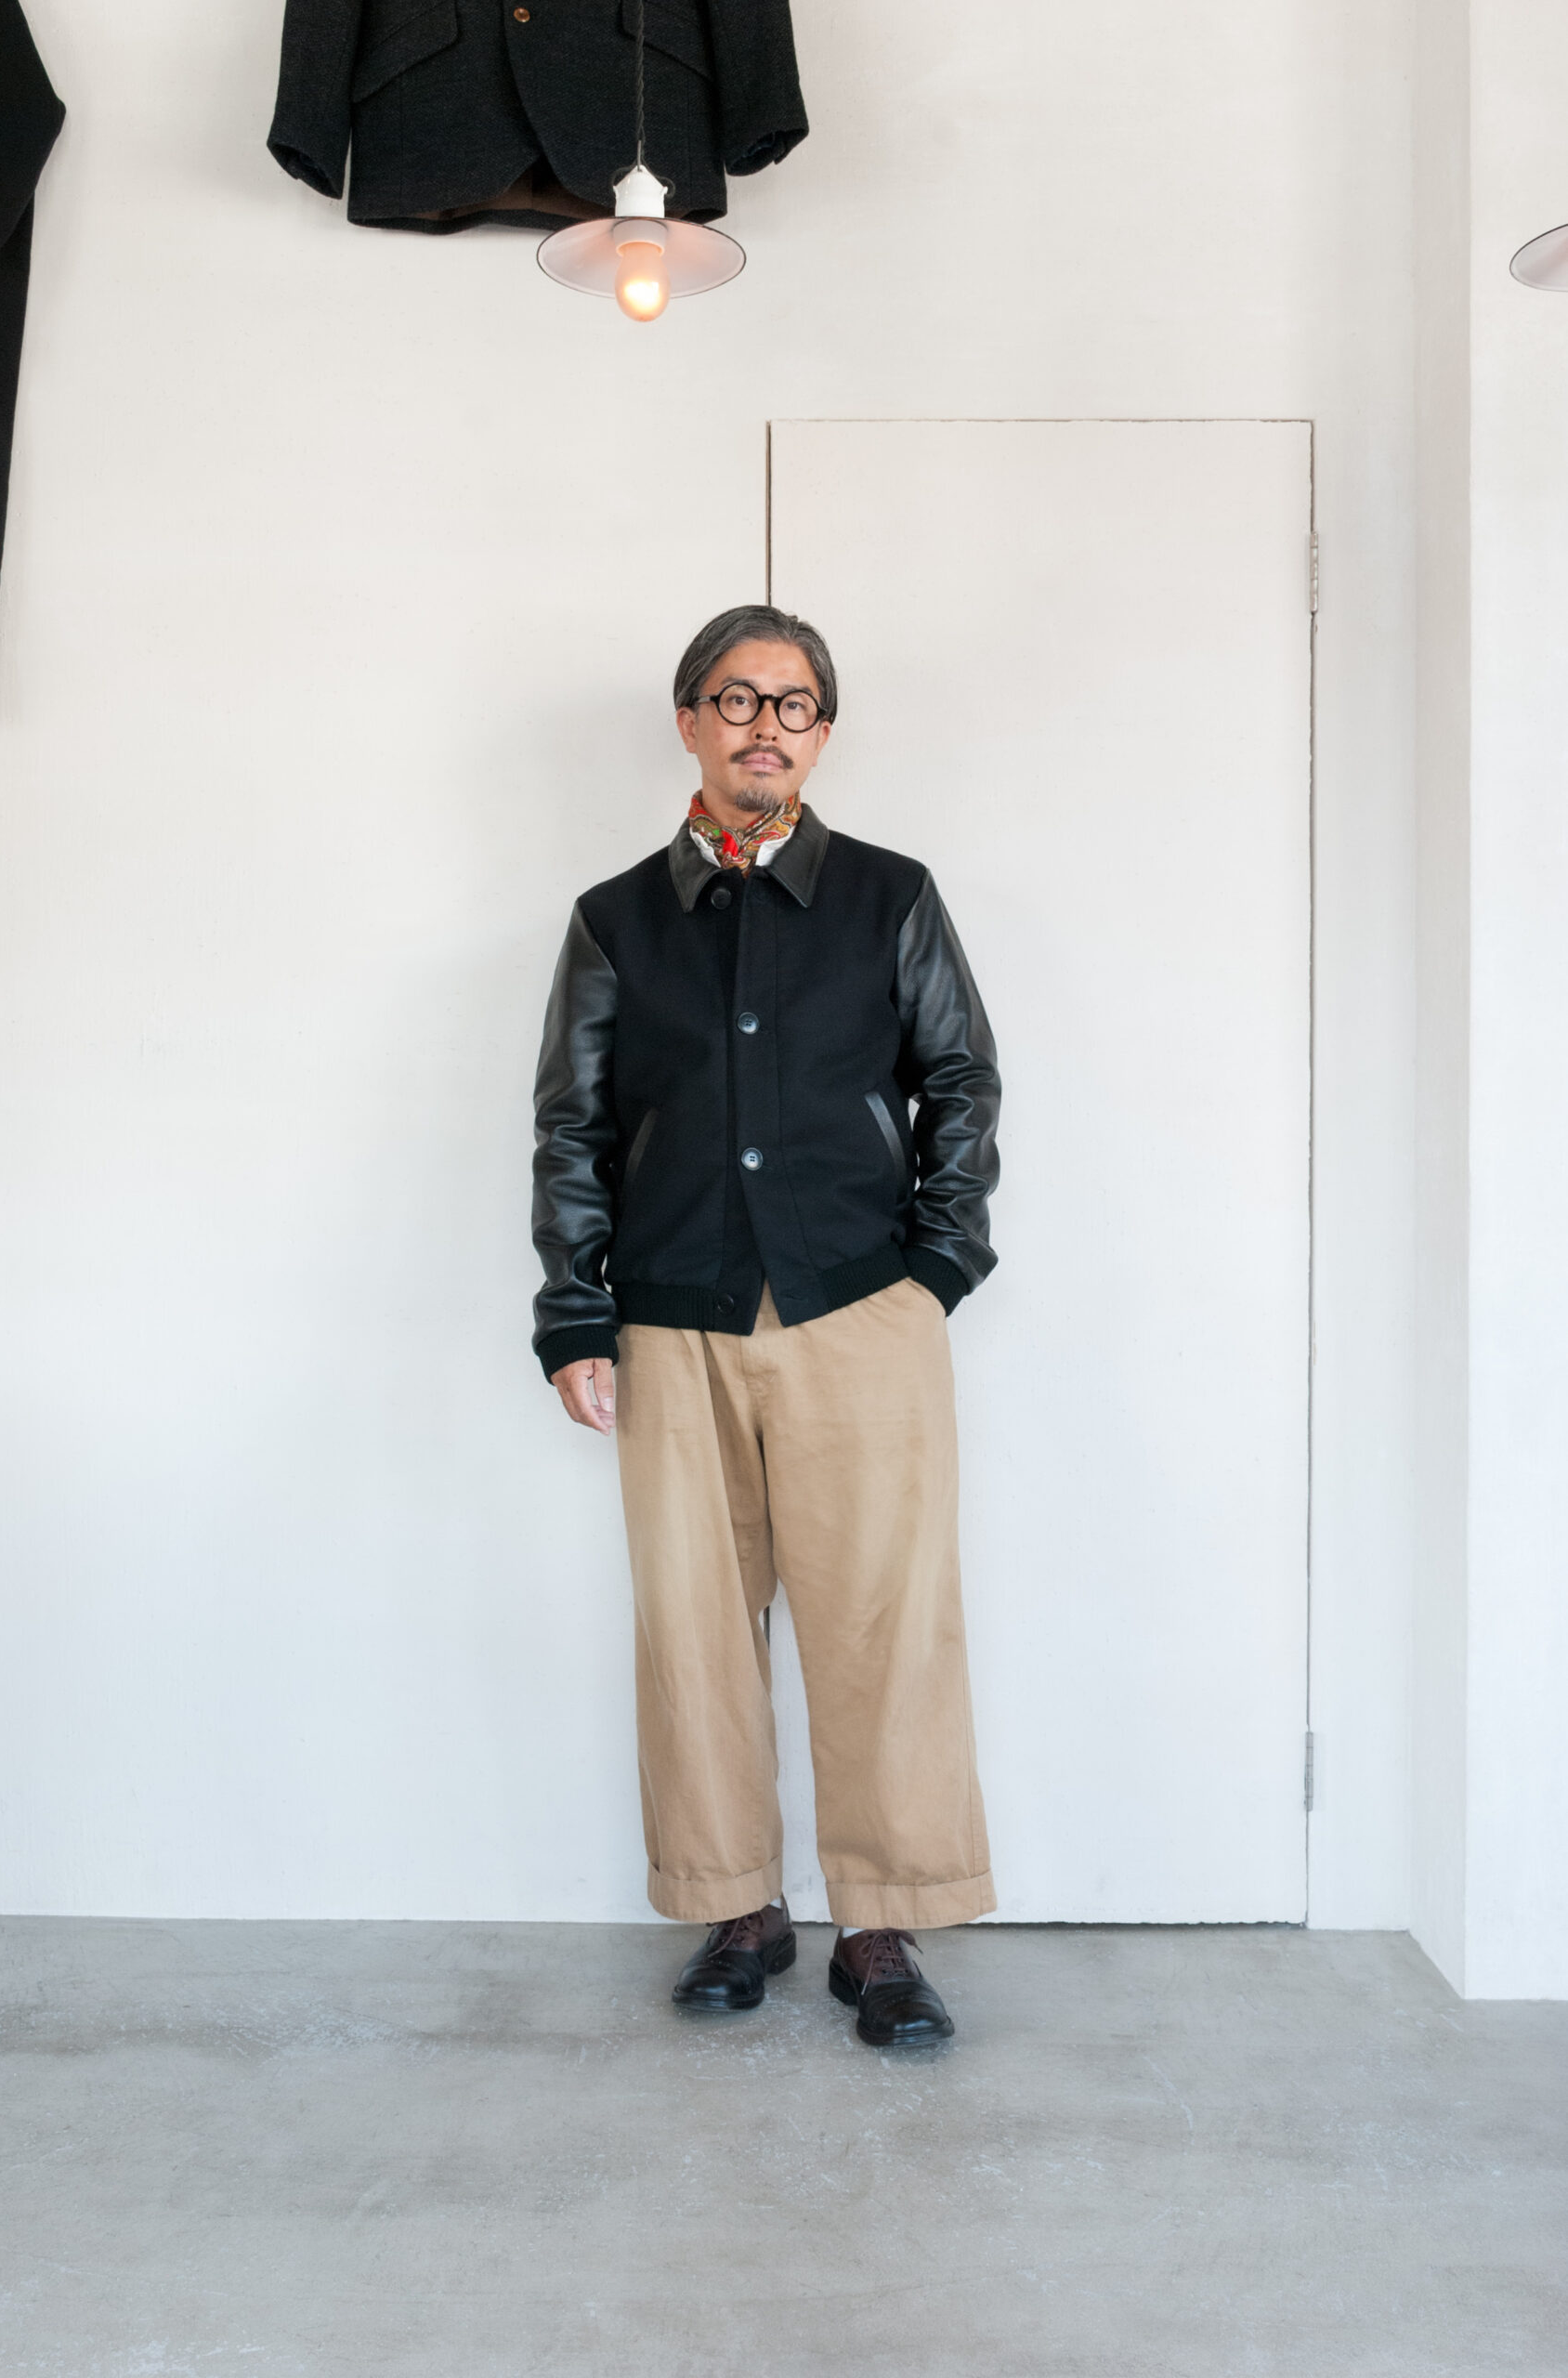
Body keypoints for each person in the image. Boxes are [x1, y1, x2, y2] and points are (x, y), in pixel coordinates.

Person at [530, 605, 1000, 2047]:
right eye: (735, 700)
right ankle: (736, 1907)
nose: (763, 726)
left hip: (860, 1309)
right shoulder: (617, 919)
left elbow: (959, 1082)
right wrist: (576, 1313)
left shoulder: (887, 896)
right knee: (693, 1627)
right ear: (688, 722)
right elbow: (573, 1125)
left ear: (822, 732)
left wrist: (936, 1265)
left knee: (880, 1623)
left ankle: (878, 1926)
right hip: (672, 1320)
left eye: (792, 704)